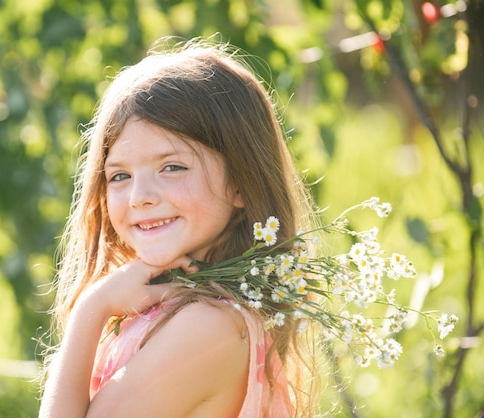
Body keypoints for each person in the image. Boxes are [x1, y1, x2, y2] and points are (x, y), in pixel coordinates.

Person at [39, 38, 319, 418]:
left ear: (240, 182)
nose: (139, 197)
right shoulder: (177, 307)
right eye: (120, 175)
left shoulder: (209, 329)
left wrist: (91, 309)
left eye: (172, 167)